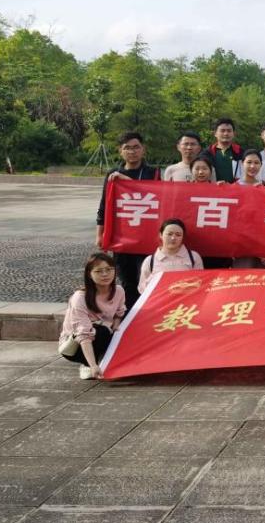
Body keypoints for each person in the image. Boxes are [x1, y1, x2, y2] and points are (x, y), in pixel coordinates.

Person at [94, 131, 161, 309]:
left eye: (136, 147)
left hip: (146, 237)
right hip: (122, 237)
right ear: (120, 151)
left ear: (143, 149)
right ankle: (129, 317)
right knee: (126, 281)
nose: (132, 151)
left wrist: (126, 181)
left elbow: (157, 196)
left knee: (146, 279)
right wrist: (100, 234)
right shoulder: (113, 174)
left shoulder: (153, 172)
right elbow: (105, 205)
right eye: (127, 148)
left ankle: (146, 315)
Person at [60, 253, 125, 380]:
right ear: (89, 274)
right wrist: (93, 365)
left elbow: (119, 313)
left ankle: (101, 358)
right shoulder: (80, 298)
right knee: (102, 332)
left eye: (109, 269)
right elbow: (83, 334)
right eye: (99, 271)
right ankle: (87, 364)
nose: (105, 274)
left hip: (104, 333)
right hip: (76, 346)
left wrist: (116, 326)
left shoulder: (119, 291)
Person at [138, 218, 202, 293]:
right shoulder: (150, 261)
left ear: (183, 237)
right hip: (161, 299)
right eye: (169, 234)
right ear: (161, 235)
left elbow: (201, 283)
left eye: (178, 235)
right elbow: (142, 289)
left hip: (186, 299)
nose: (173, 238)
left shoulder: (194, 257)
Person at [205, 117, 243, 183]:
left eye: (229, 131)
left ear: (234, 133)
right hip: (213, 188)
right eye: (222, 131)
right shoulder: (207, 153)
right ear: (215, 133)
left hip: (235, 188)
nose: (226, 133)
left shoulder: (241, 153)